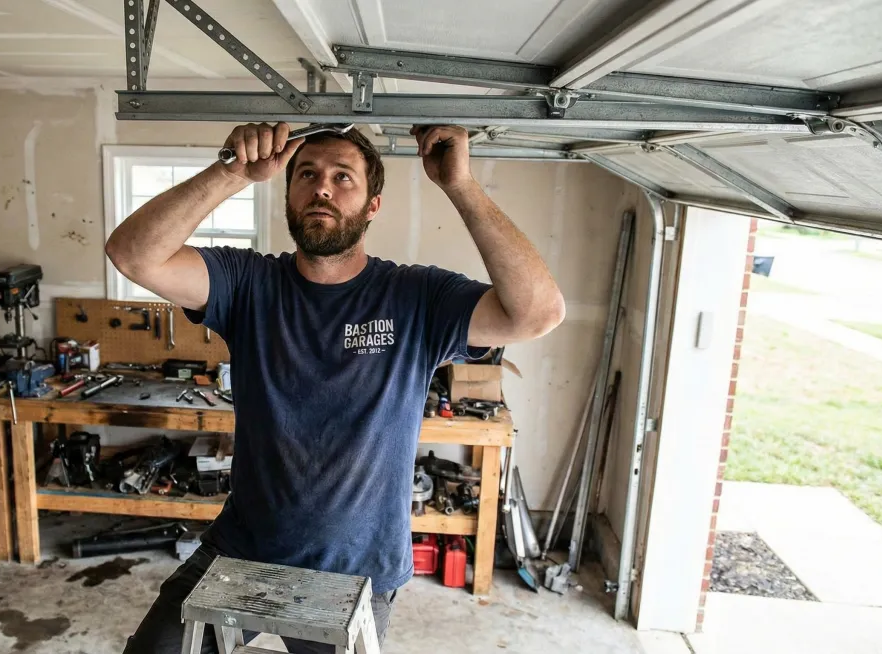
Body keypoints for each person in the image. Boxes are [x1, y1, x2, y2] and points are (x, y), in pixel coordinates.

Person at [107, 122, 565, 653]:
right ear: (288, 192)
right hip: (241, 548)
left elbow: (539, 313)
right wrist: (231, 171)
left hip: (358, 571)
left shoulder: (416, 296)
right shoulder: (248, 283)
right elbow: (133, 255)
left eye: (342, 177)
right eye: (307, 174)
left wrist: (460, 186)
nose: (322, 187)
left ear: (373, 205)